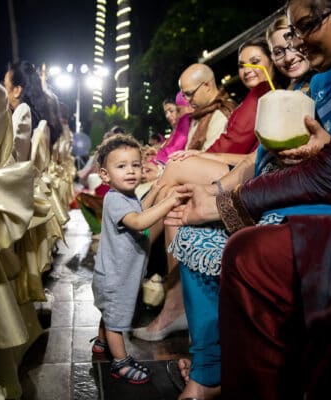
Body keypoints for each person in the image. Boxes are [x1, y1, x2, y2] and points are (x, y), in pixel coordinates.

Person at [168, 1, 331, 398]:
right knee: (191, 230)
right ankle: (208, 369)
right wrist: (218, 193)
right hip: (292, 190)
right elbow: (262, 157)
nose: (296, 45)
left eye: (304, 29)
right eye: (287, 39)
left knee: (247, 248)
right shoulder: (315, 83)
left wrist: (227, 200)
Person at [132, 38, 280, 344]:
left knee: (174, 174)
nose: (247, 68)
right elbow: (243, 152)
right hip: (243, 170)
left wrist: (200, 158)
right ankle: (161, 291)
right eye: (242, 63)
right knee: (173, 198)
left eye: (256, 60)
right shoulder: (254, 99)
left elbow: (252, 155)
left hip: (259, 178)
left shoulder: (271, 97)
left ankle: (132, 257)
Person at [90, 134, 186, 384]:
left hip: (116, 274)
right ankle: (119, 362)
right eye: (121, 166)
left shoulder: (127, 196)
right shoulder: (115, 200)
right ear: (105, 175)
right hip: (116, 278)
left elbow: (141, 207)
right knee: (116, 322)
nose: (131, 171)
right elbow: (140, 221)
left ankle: (101, 344)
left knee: (110, 313)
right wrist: (170, 201)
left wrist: (156, 190)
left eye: (135, 165)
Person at [4, 60, 63, 149]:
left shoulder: (19, 124)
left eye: (5, 87)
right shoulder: (41, 120)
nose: (4, 92)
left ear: (17, 90)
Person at [155, 91, 193, 164]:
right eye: (166, 112)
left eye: (171, 111)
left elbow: (172, 152)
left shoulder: (185, 124)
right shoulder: (175, 131)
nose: (167, 116)